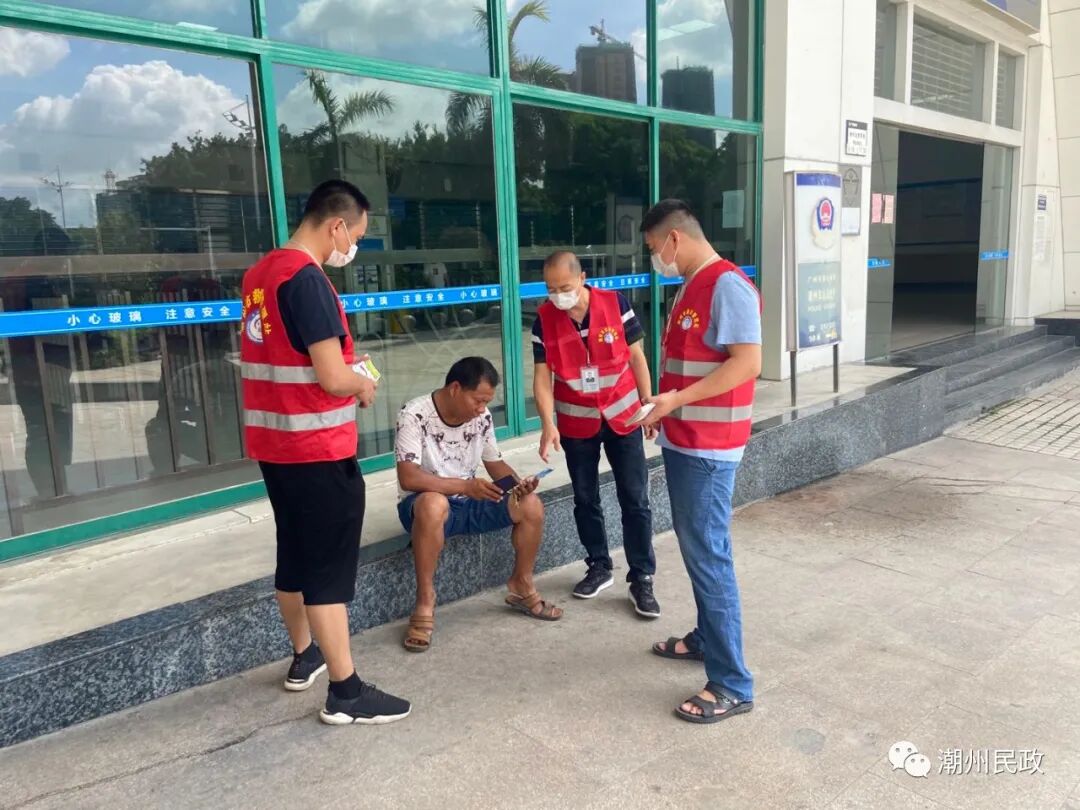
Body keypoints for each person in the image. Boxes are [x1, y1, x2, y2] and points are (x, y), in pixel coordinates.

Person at [240, 179, 410, 725]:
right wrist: (362, 384)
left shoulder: (259, 275)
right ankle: (346, 692)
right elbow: (332, 375)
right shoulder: (307, 280)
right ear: (337, 225)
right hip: (317, 449)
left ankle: (304, 655)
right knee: (327, 573)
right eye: (354, 237)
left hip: (276, 446)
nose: (351, 247)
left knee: (294, 553)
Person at [638, 199, 761, 725]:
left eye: (653, 249)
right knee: (698, 552)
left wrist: (676, 401)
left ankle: (732, 683)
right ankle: (707, 639)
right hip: (685, 440)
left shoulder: (727, 284)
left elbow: (747, 363)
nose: (655, 260)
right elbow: (689, 366)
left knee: (710, 557)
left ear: (674, 239)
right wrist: (662, 411)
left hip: (709, 449)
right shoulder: (691, 285)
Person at [395, 356, 562, 652]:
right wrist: (464, 486)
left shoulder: (481, 418)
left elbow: (494, 464)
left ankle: (521, 583)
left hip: (471, 498)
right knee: (433, 504)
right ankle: (425, 600)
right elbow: (409, 478)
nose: (482, 409)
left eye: (487, 402)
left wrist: (517, 485)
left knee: (531, 504)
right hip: (425, 507)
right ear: (455, 389)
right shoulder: (414, 414)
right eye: (478, 400)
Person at [532, 251, 659, 617]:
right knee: (585, 499)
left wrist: (648, 405)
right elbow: (542, 377)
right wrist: (547, 423)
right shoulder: (544, 319)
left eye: (565, 287)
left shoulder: (615, 304)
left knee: (635, 498)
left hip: (622, 415)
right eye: (551, 289)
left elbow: (636, 357)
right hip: (577, 422)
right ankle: (599, 566)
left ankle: (642, 577)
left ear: (583, 278)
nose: (558, 296)